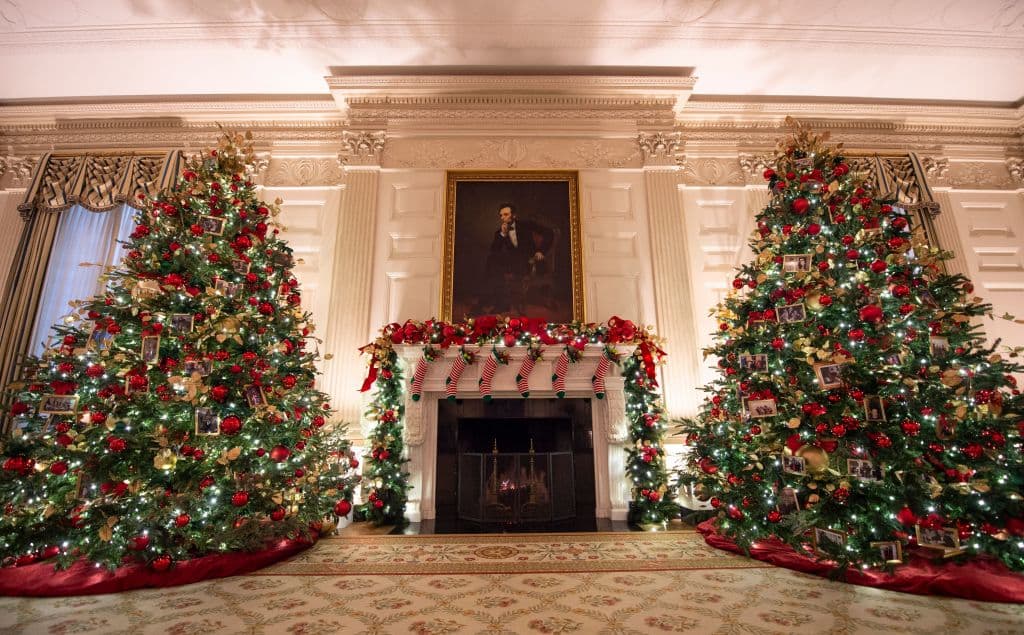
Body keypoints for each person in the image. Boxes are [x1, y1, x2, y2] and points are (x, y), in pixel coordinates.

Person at [483, 203, 554, 314]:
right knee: (492, 260)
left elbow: (549, 232)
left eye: (506, 214)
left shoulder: (527, 224)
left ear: (514, 215)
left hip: (530, 261)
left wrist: (541, 251)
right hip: (515, 263)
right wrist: (503, 234)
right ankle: (501, 303)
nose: (503, 218)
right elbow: (494, 251)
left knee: (495, 263)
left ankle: (496, 301)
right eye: (501, 215)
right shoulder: (500, 232)